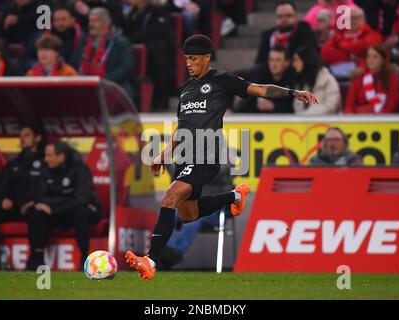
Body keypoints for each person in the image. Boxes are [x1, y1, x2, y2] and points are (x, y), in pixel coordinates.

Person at [125, 34, 318, 280]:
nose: (189, 63)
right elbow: (181, 128)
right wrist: (163, 154)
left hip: (207, 155)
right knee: (188, 214)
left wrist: (292, 92)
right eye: (186, 59)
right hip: (184, 158)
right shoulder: (185, 91)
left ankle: (151, 260)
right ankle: (235, 195)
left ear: (207, 58)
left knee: (169, 197)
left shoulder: (222, 80)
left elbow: (261, 90)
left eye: (193, 59)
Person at [25, 141, 102, 270]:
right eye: (45, 155)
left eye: (49, 156)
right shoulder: (45, 169)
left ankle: (84, 258)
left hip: (83, 211)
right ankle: (36, 259)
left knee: (80, 210)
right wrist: (47, 206)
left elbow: (81, 199)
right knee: (36, 211)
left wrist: (53, 208)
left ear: (61, 156)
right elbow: (39, 196)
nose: (46, 159)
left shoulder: (80, 169)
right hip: (58, 212)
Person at [0, 124, 46, 270]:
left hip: (33, 206)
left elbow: (48, 186)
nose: (22, 139)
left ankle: (35, 260)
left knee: (38, 213)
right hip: (14, 207)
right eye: (21, 135)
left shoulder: (46, 161)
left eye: (27, 135)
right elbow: (2, 185)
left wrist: (34, 201)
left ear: (38, 138)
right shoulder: (13, 164)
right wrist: (4, 198)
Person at [159, 163, 234, 270]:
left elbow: (223, 172)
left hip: (214, 210)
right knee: (168, 213)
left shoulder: (223, 159)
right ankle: (166, 251)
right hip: (191, 205)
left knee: (193, 219)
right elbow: (177, 175)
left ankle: (173, 254)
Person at [70, 7, 135, 98]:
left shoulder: (120, 42)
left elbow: (126, 67)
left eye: (95, 21)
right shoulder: (84, 40)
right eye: (90, 21)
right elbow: (73, 63)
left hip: (112, 84)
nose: (91, 24)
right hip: (84, 84)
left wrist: (103, 81)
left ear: (107, 23)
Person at [123, 0, 175, 110]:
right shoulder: (132, 12)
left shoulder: (158, 11)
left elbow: (156, 31)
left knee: (156, 55)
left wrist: (130, 39)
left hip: (156, 49)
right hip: (136, 45)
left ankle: (159, 99)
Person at [321, 7, 382, 79]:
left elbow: (364, 47)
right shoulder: (338, 34)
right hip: (335, 71)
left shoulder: (371, 34)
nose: (353, 20)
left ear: (364, 19)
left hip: (362, 71)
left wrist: (342, 46)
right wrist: (349, 56)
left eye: (357, 18)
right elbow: (325, 51)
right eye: (350, 18)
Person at [234, 45, 294, 113]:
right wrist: (228, 108)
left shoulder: (292, 77)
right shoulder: (260, 72)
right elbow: (233, 76)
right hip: (249, 117)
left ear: (287, 62)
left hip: (280, 120)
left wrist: (273, 106)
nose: (273, 64)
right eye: (271, 60)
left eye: (278, 60)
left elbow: (291, 108)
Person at [344, 44, 399, 113]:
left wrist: (376, 119)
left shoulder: (393, 79)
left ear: (383, 60)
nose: (370, 60)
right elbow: (349, 106)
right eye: (368, 56)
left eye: (375, 57)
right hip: (359, 120)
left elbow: (392, 104)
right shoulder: (358, 79)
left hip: (385, 120)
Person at [255, 1, 317, 65]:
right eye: (280, 16)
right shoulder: (268, 36)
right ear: (276, 19)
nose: (284, 19)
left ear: (295, 17)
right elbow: (259, 62)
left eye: (288, 16)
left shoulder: (305, 34)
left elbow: (308, 59)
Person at [292, 46, 341, 114]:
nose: (294, 64)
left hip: (325, 123)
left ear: (305, 60)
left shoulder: (328, 80)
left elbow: (331, 106)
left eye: (296, 60)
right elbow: (297, 108)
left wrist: (308, 116)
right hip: (302, 123)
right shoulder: (301, 83)